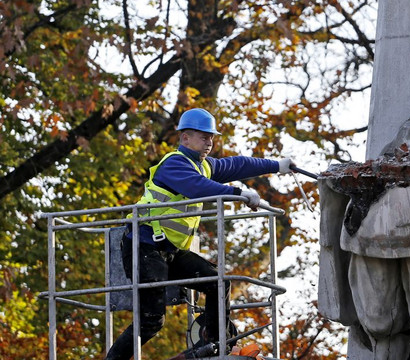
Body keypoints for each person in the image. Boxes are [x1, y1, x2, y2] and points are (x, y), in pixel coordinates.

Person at [105, 108, 294, 360]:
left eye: (211, 137)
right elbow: (198, 188)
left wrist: (278, 165)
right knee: (152, 321)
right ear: (185, 138)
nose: (210, 142)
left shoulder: (202, 166)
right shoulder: (174, 164)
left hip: (168, 251)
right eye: (204, 137)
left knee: (217, 281)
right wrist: (238, 194)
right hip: (144, 248)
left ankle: (215, 347)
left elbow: (238, 164)